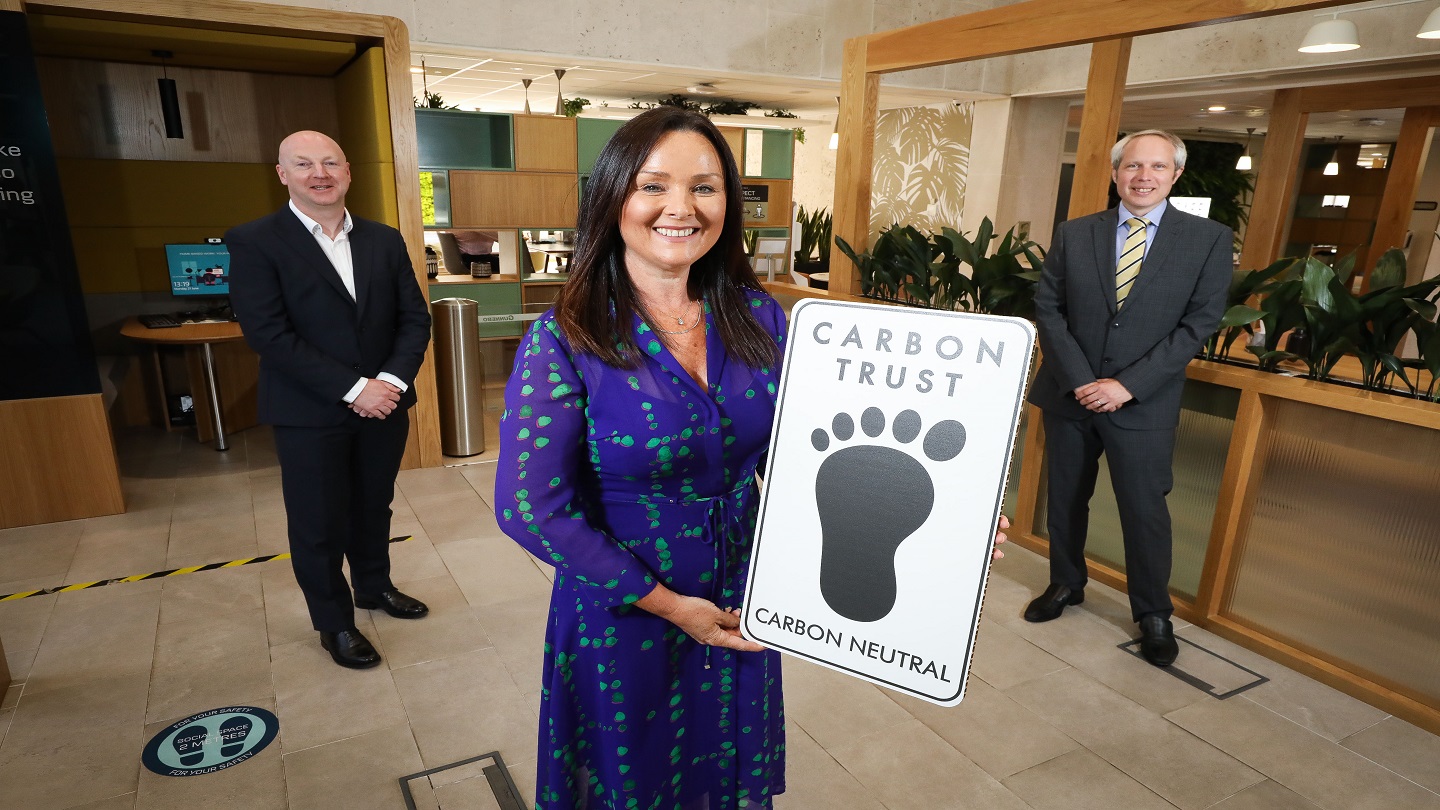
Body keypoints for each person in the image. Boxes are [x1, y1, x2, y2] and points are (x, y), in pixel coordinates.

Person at [494, 106, 790, 808]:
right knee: (637, 780)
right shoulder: (566, 336)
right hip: (626, 605)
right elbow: (530, 511)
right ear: (613, 195)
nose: (681, 208)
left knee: (726, 772)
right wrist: (667, 605)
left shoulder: (759, 315)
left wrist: (933, 524)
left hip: (742, 594)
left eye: (706, 187)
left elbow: (810, 455)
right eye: (654, 185)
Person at [1024, 129, 1230, 668]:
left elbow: (1198, 325)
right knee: (1065, 498)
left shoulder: (1207, 240)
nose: (1144, 176)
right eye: (1133, 166)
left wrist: (1126, 386)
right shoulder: (1075, 233)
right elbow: (1050, 310)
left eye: (1157, 167)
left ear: (1175, 175)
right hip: (1072, 395)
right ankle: (1066, 584)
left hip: (1144, 403)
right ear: (1115, 172)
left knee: (1144, 511)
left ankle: (1152, 614)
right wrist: (1081, 380)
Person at [228, 130, 433, 670]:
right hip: (307, 411)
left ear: (347, 171)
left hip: (384, 405)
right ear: (282, 174)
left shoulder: (383, 240)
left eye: (329, 163)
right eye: (303, 164)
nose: (319, 173)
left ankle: (373, 588)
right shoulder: (255, 241)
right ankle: (335, 623)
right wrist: (354, 389)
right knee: (318, 523)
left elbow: (414, 318)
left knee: (373, 505)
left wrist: (388, 383)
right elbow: (269, 335)